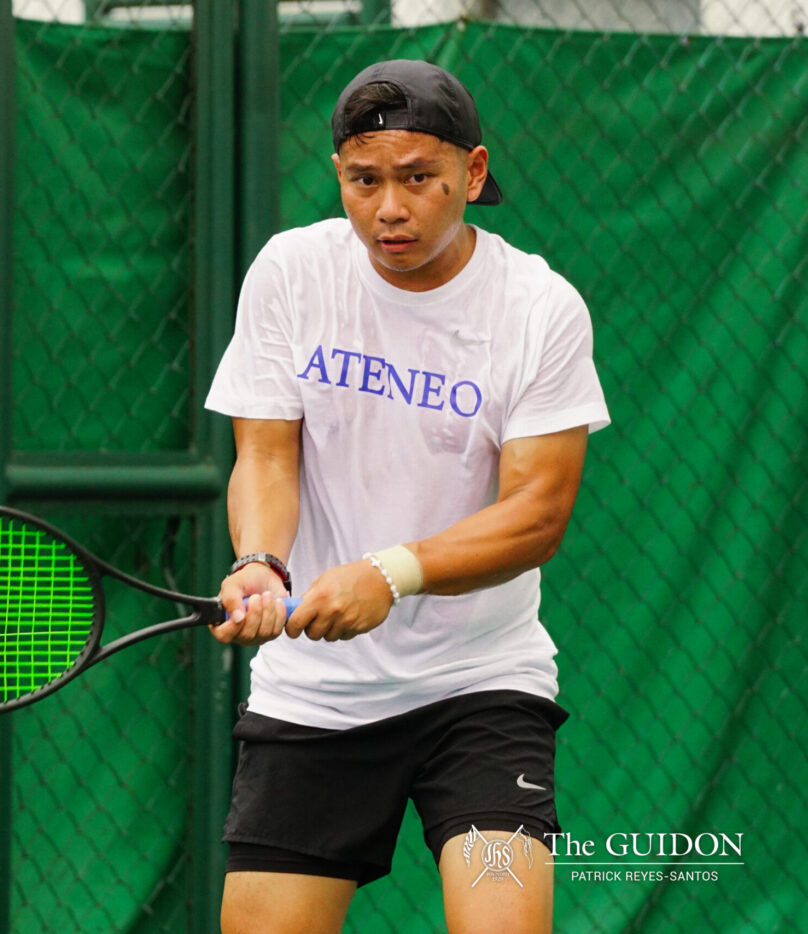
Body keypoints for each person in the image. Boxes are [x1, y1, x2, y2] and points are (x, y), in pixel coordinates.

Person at [204, 59, 610, 934]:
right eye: (365, 180)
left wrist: (390, 573)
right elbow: (266, 456)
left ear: (473, 172)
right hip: (315, 695)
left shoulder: (538, 308)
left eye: (418, 178)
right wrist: (259, 561)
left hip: (481, 686)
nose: (389, 208)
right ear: (338, 176)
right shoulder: (291, 272)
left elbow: (537, 514)